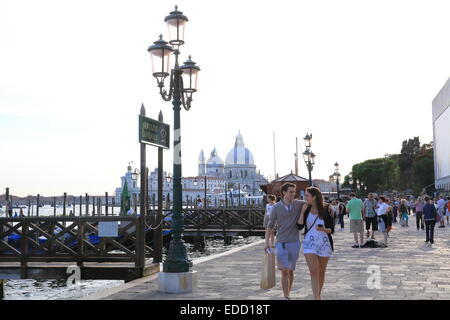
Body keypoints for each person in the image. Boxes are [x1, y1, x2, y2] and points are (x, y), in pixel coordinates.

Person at [264, 183, 306, 300]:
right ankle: (286, 296)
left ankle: (288, 292)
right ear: (284, 193)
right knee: (284, 271)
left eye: (294, 191)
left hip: (295, 243)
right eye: (291, 192)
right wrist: (266, 242)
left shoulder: (299, 204)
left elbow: (314, 202)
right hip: (281, 243)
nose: (294, 194)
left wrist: (328, 208)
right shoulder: (276, 207)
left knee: (291, 271)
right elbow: (270, 225)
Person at [297, 187, 334, 300]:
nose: (305, 198)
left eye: (307, 196)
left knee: (321, 271)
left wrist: (323, 229)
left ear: (314, 197)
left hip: (324, 244)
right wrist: (302, 212)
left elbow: (331, 230)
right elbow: (299, 226)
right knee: (313, 271)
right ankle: (316, 298)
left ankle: (318, 294)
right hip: (309, 244)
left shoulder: (327, 209)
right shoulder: (306, 208)